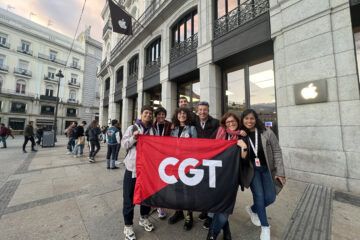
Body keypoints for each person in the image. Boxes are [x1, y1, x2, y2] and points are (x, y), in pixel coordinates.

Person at [241, 109, 286, 240]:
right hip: (252, 171)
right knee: (259, 196)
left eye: (252, 118)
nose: (249, 121)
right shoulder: (241, 134)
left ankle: (253, 209)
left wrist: (280, 172)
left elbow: (277, 150)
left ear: (256, 119)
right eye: (246, 119)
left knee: (271, 197)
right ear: (242, 120)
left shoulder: (266, 132)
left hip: (266, 169)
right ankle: (265, 227)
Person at [206, 112, 248, 240]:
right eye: (228, 122)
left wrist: (244, 147)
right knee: (216, 204)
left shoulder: (243, 135)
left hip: (232, 177)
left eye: (233, 121)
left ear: (237, 121)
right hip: (217, 175)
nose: (231, 123)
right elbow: (209, 147)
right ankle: (227, 230)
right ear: (225, 124)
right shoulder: (220, 133)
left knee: (225, 206)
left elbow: (244, 159)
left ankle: (212, 234)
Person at [121, 105, 155, 240]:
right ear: (141, 114)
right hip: (132, 169)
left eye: (150, 113)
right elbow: (124, 144)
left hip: (147, 170)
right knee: (129, 198)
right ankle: (128, 225)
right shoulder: (132, 128)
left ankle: (144, 218)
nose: (148, 115)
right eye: (146, 113)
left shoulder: (152, 130)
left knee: (146, 196)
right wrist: (134, 138)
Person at [168, 107, 197, 231]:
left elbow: (196, 146)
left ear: (188, 115)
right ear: (177, 115)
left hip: (187, 164)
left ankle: (189, 215)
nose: (182, 115)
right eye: (180, 113)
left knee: (188, 190)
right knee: (177, 189)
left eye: (184, 113)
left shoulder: (192, 129)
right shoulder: (173, 129)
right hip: (175, 164)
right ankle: (178, 212)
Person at [194, 101, 220, 229]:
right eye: (200, 110)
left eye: (205, 110)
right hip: (198, 160)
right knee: (202, 187)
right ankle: (205, 210)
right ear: (197, 111)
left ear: (208, 111)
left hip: (211, 160)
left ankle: (210, 216)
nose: (202, 112)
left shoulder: (215, 122)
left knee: (211, 188)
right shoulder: (194, 122)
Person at [151, 106, 172, 219]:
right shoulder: (152, 126)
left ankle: (161, 205)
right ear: (156, 116)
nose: (161, 116)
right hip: (154, 157)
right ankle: (157, 204)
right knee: (154, 181)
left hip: (166, 157)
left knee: (163, 182)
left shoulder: (170, 125)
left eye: (163, 114)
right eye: (159, 114)